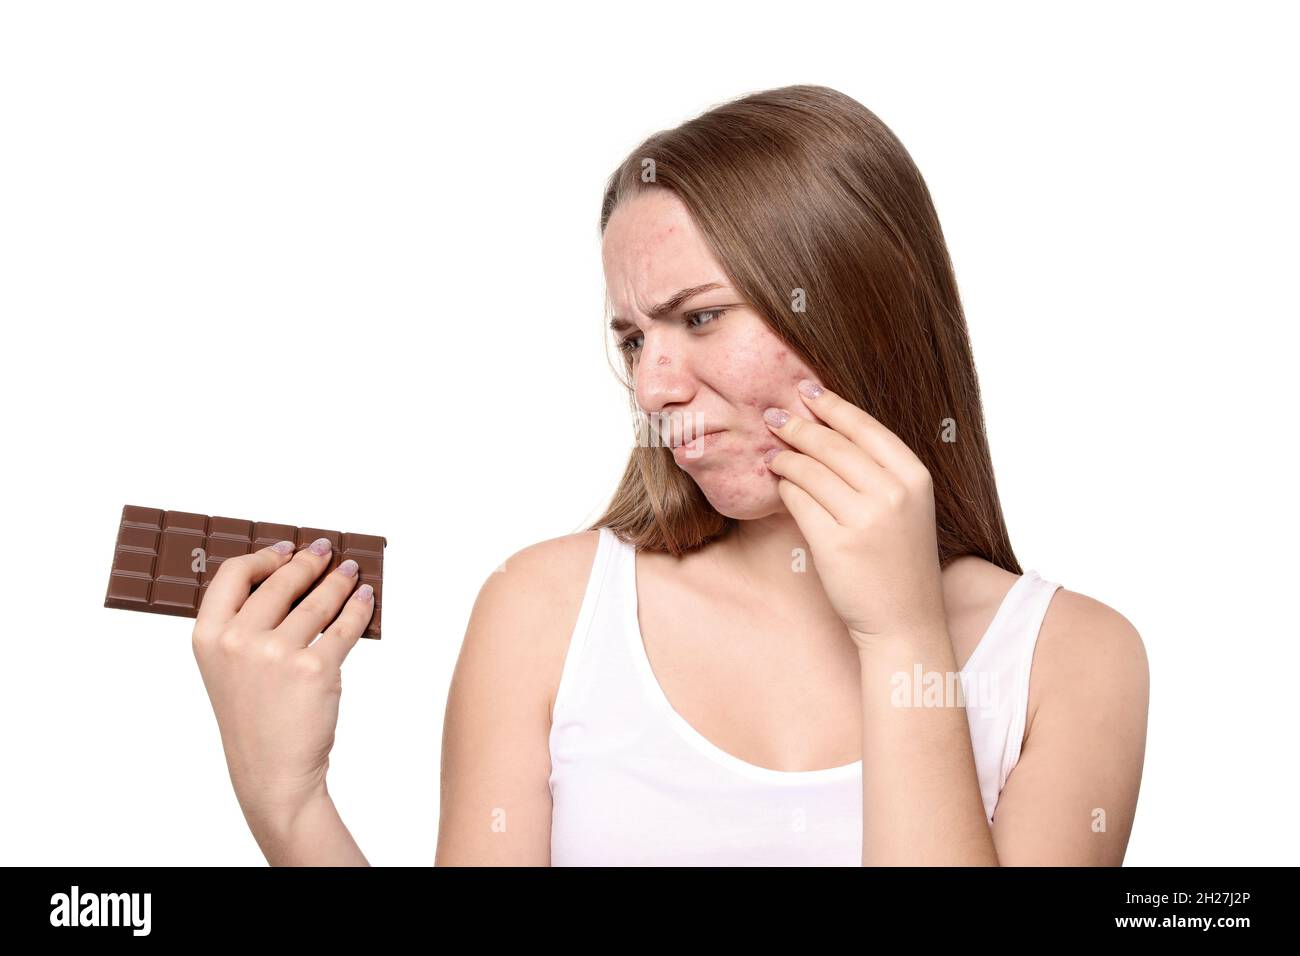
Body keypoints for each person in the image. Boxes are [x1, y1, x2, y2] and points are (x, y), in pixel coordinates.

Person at [194, 85, 1150, 867]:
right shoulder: (546, 608)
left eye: (698, 318)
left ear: (857, 302)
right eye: (631, 336)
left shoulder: (1071, 661)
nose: (652, 386)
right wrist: (289, 805)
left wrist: (902, 637)